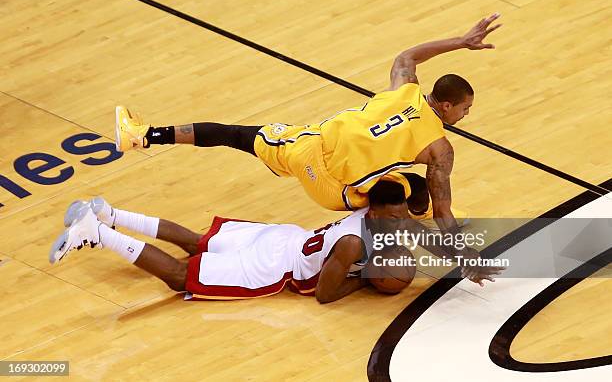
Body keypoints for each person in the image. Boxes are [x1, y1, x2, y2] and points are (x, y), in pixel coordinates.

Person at [114, 14, 502, 235]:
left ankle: (143, 137)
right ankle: (385, 238)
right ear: (447, 105)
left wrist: (460, 41)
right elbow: (444, 211)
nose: (465, 116)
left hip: (308, 148)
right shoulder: (440, 148)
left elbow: (407, 56)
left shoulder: (407, 88)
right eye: (464, 109)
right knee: (413, 188)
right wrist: (465, 255)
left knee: (235, 135)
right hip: (335, 190)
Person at [50, 180, 501, 303]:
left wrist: (468, 262)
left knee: (194, 241)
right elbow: (324, 295)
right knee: (177, 275)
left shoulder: (376, 212)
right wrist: (363, 282)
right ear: (380, 212)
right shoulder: (352, 246)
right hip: (274, 267)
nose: (403, 221)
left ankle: (110, 212)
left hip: (283, 237)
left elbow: (426, 239)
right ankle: (99, 232)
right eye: (398, 215)